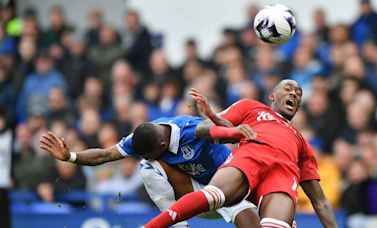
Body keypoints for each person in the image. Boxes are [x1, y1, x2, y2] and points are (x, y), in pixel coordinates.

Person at [144, 79, 337, 228]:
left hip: (283, 175)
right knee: (212, 196)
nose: (294, 93)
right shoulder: (251, 108)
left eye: (299, 93)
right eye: (288, 88)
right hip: (251, 157)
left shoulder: (302, 143)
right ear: (272, 95)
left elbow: (319, 200)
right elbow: (203, 130)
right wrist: (214, 118)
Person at [39, 115, 260, 227]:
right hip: (194, 195)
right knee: (147, 167)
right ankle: (178, 225)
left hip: (229, 190)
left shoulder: (190, 130)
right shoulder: (142, 139)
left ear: (163, 145)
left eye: (150, 153)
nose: (147, 157)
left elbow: (208, 129)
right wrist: (71, 157)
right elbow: (105, 155)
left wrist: (232, 131)